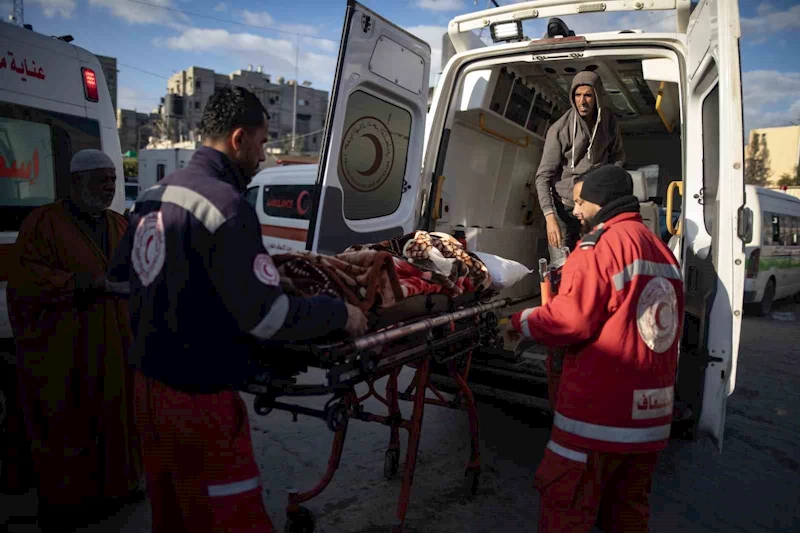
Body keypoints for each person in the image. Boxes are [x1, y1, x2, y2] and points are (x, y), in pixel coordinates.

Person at [106, 86, 369, 533]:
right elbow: (267, 317)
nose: (264, 155)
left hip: (147, 393)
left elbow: (120, 279)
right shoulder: (226, 205)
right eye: (264, 142)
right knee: (232, 519)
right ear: (239, 138)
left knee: (174, 516)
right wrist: (339, 313)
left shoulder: (153, 195)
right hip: (200, 401)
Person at [509, 164, 684, 533]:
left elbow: (570, 321)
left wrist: (518, 323)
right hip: (649, 422)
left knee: (566, 512)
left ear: (600, 202)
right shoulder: (663, 253)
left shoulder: (599, 247)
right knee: (627, 514)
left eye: (579, 202)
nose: (575, 211)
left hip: (596, 421)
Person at [6, 149, 143, 531]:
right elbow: (26, 280)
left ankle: (120, 486)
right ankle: (70, 503)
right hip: (67, 348)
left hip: (116, 344)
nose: (109, 187)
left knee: (119, 416)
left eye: (113, 180)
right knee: (68, 423)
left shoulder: (120, 223)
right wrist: (86, 283)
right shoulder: (42, 223)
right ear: (76, 183)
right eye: (101, 180)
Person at [535, 70, 626, 267]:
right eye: (577, 95)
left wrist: (606, 182)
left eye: (588, 95)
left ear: (597, 97)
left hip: (594, 206)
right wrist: (550, 218)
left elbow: (618, 156)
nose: (582, 101)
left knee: (598, 262)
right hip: (564, 207)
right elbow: (542, 177)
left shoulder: (608, 121)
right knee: (561, 266)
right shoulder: (559, 130)